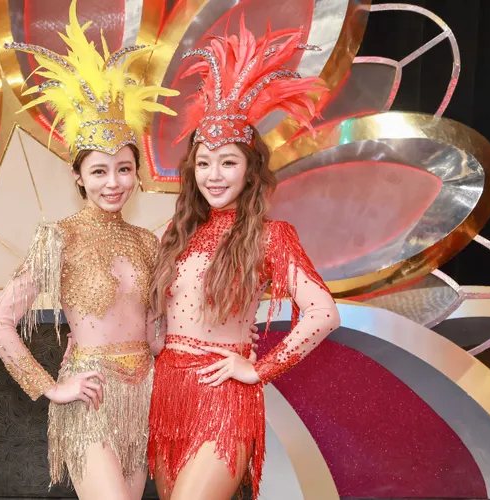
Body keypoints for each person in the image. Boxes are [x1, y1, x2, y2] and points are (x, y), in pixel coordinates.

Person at [0, 1, 178, 498]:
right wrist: (51, 386)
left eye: (124, 169)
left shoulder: (147, 241)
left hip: (143, 397)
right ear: (79, 178)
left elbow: (156, 334)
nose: (114, 182)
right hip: (89, 398)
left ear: (136, 173)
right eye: (99, 171)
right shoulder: (58, 236)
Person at [147, 18, 341, 500]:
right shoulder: (177, 233)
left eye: (228, 162)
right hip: (167, 394)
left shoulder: (271, 236)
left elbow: (323, 313)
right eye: (204, 162)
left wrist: (258, 369)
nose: (214, 175)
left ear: (250, 171)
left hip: (223, 397)